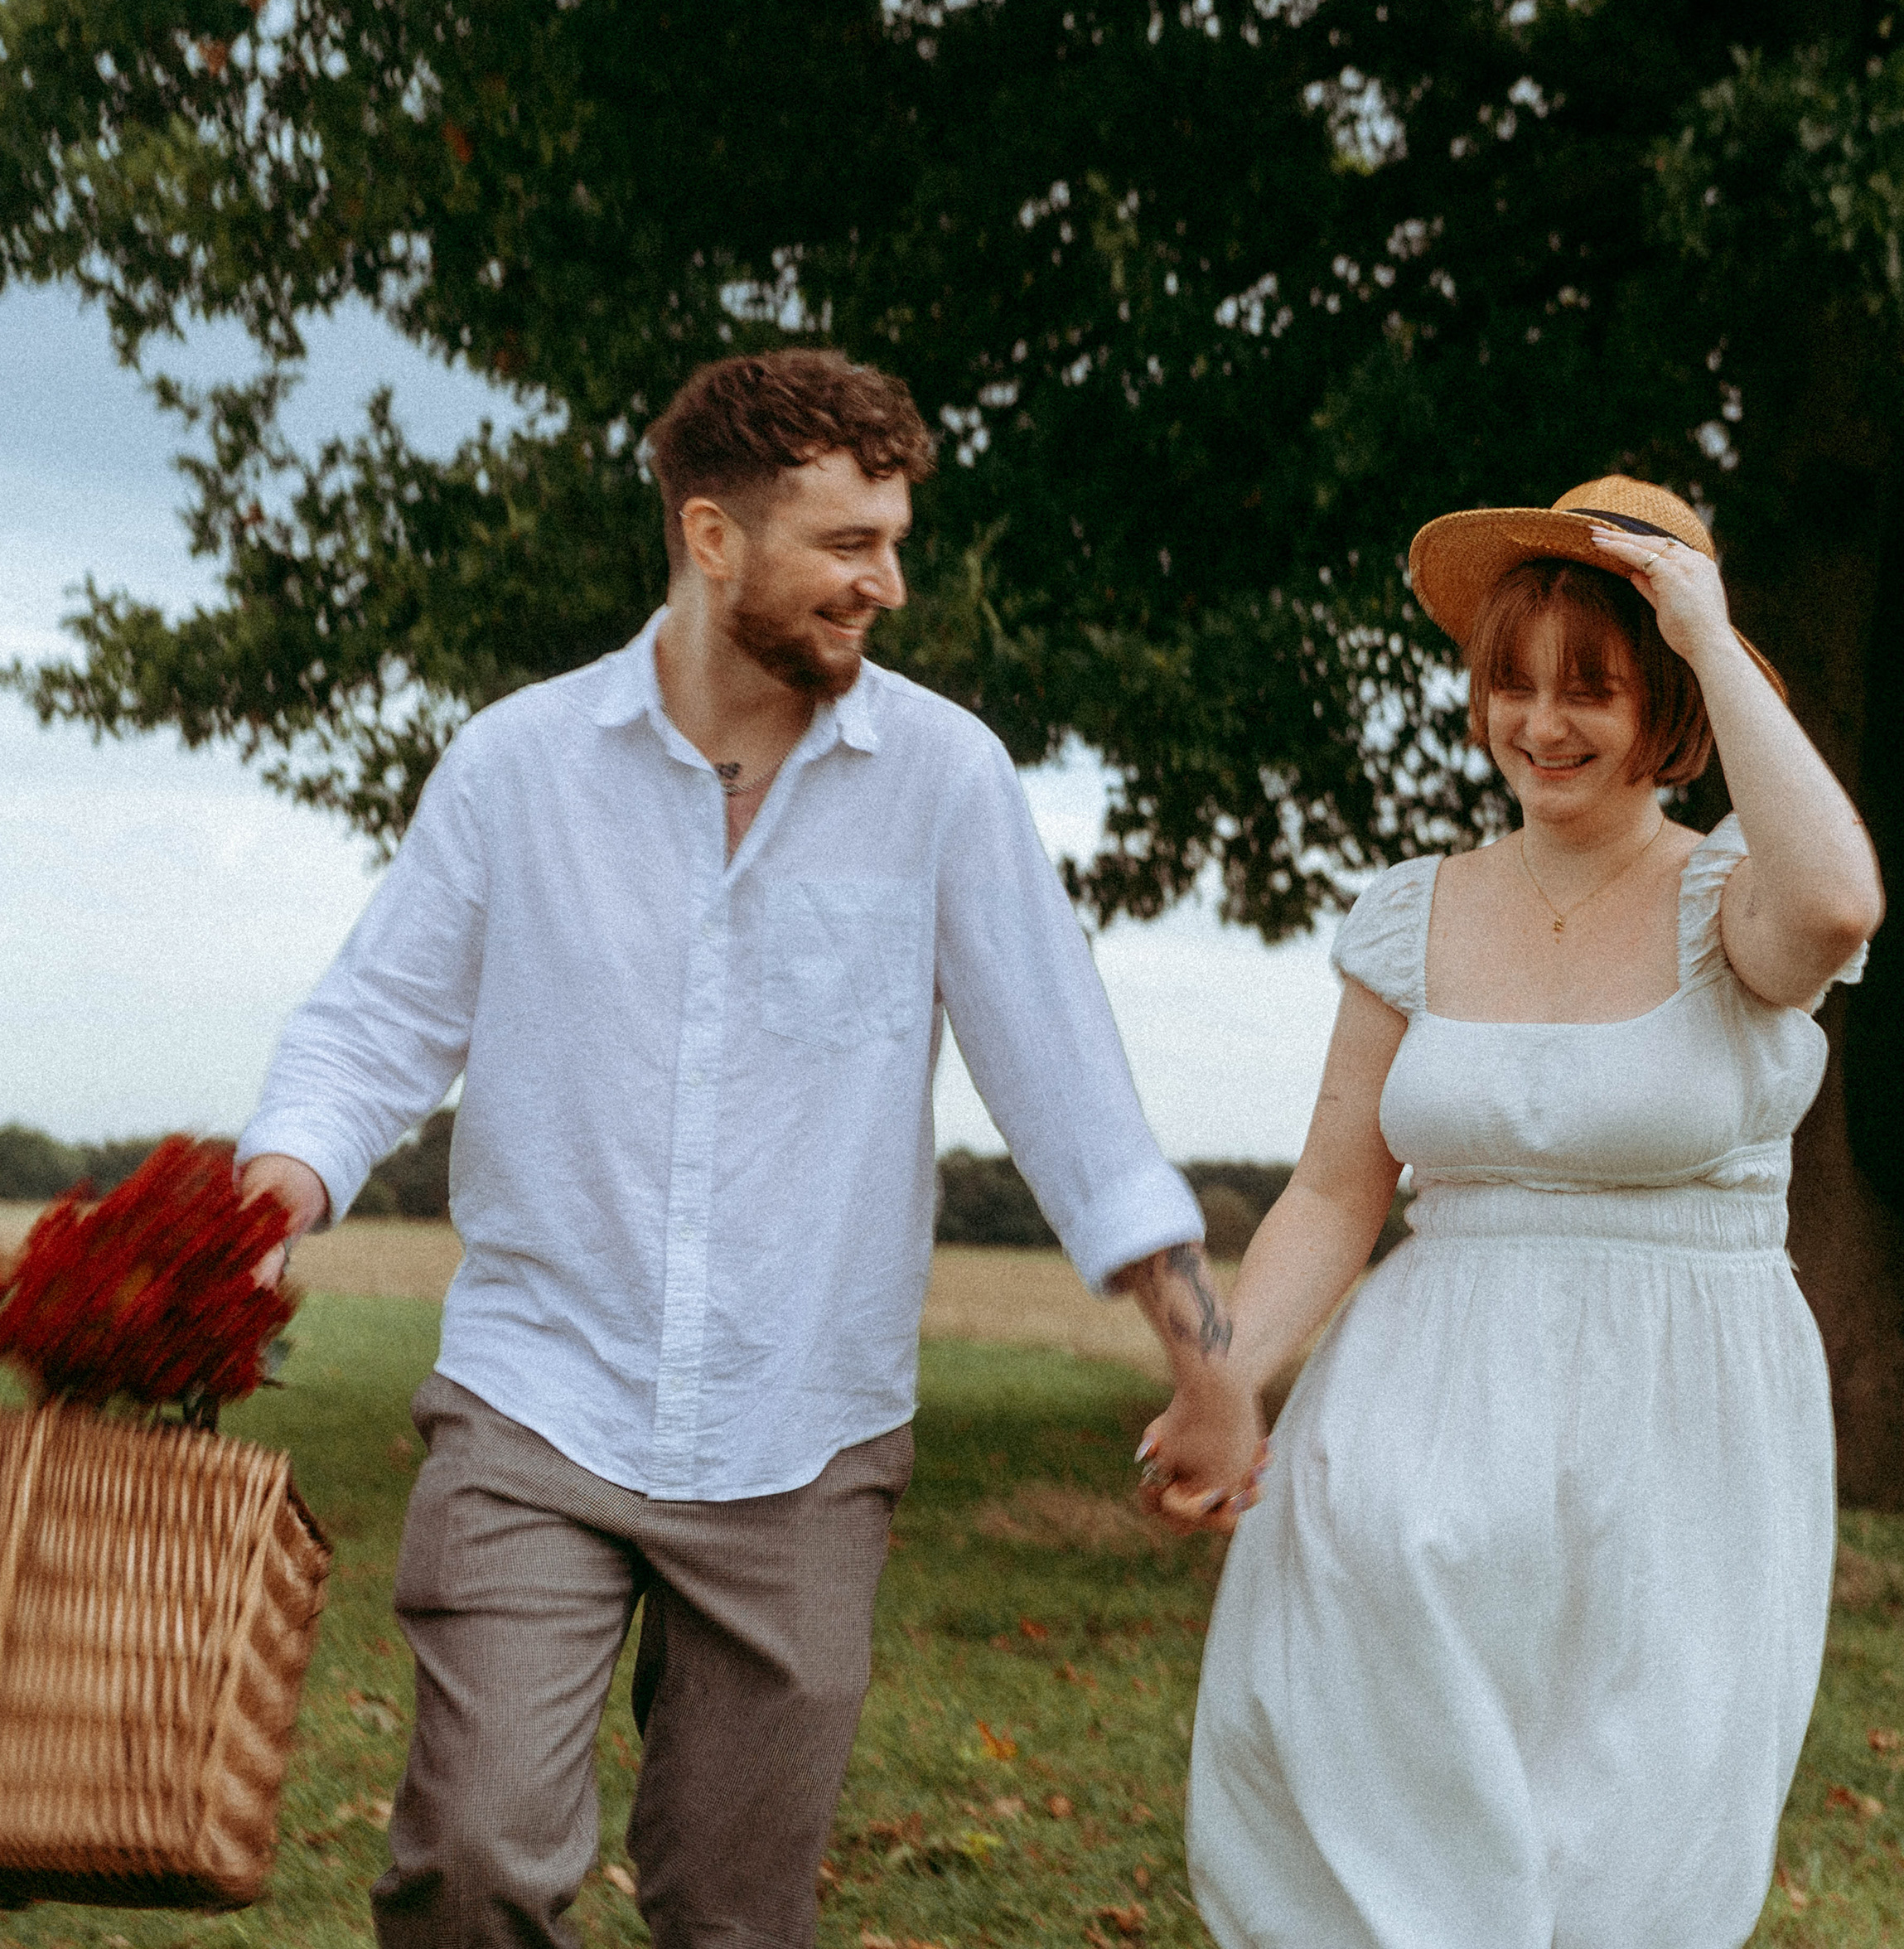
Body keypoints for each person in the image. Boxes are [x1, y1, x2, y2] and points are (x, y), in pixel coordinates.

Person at [231, 348, 1251, 1949]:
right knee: (479, 1860)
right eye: (849, 545)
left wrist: (1202, 1357)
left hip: (806, 1430)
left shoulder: (944, 780)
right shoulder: (518, 766)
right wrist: (275, 1196)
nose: (887, 584)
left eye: (895, 541)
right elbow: (374, 1027)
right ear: (714, 539)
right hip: (536, 1400)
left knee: (735, 1913)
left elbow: (1069, 1092)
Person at [1140, 474, 1883, 1949]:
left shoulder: (1734, 896)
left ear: (1672, 704)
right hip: (1427, 1403)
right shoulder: (1414, 910)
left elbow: (1844, 906)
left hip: (1685, 1420)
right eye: (1512, 685)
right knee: (1382, 1788)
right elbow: (1337, 1192)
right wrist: (1229, 1374)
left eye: (1592, 689)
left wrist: (1713, 636)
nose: (1539, 726)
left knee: (1635, 1826)